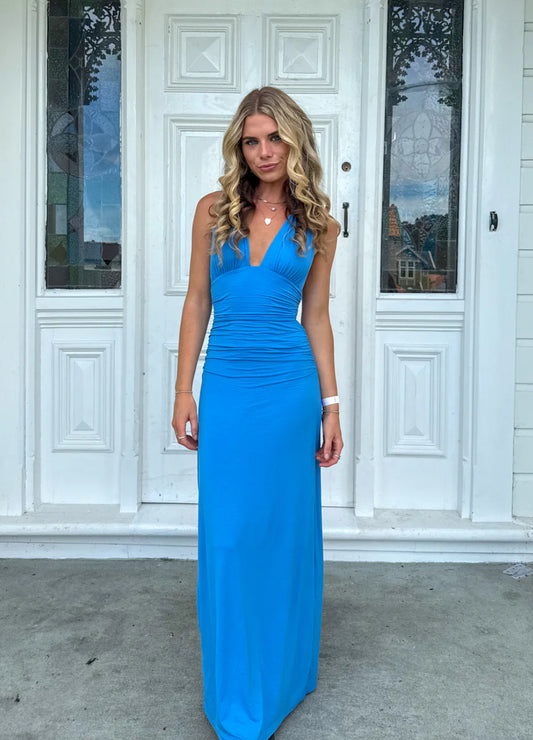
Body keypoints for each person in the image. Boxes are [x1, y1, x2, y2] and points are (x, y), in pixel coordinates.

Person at [172, 86, 343, 740]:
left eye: (275, 138)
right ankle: (236, 688)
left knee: (280, 532)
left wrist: (331, 406)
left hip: (288, 393)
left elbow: (316, 318)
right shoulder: (211, 210)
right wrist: (183, 390)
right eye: (251, 141)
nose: (264, 152)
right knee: (228, 536)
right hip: (227, 388)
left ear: (295, 142)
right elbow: (196, 302)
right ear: (239, 148)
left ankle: (282, 675)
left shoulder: (319, 225)